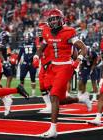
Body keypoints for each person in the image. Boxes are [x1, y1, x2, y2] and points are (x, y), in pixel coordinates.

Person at [33, 9, 88, 138]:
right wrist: (36, 56)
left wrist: (78, 60)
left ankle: (53, 129)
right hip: (53, 67)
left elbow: (83, 48)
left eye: (55, 18)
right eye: (51, 19)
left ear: (62, 19)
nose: (53, 22)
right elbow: (43, 46)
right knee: (59, 99)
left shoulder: (68, 32)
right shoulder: (46, 31)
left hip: (65, 67)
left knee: (54, 96)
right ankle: (81, 98)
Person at [35, 22, 51, 113]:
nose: (40, 32)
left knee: (49, 85)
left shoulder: (50, 39)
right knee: (41, 85)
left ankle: (80, 99)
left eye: (41, 30)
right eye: (39, 30)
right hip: (43, 64)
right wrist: (36, 57)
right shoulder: (37, 40)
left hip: (51, 64)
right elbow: (39, 51)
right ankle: (48, 105)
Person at [0, 31, 14, 116]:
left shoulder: (4, 44)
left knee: (10, 76)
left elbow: (3, 52)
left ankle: (6, 93)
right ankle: (5, 93)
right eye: (7, 37)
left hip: (2, 64)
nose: (8, 38)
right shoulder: (0, 44)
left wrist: (8, 56)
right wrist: (4, 61)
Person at [17, 31, 37, 97]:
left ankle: (33, 93)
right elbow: (20, 54)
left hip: (32, 63)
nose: (26, 39)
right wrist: (17, 63)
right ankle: (22, 92)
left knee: (33, 78)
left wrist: (33, 56)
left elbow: (37, 53)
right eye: (26, 37)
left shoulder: (34, 44)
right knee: (22, 78)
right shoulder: (23, 44)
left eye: (27, 37)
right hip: (25, 63)